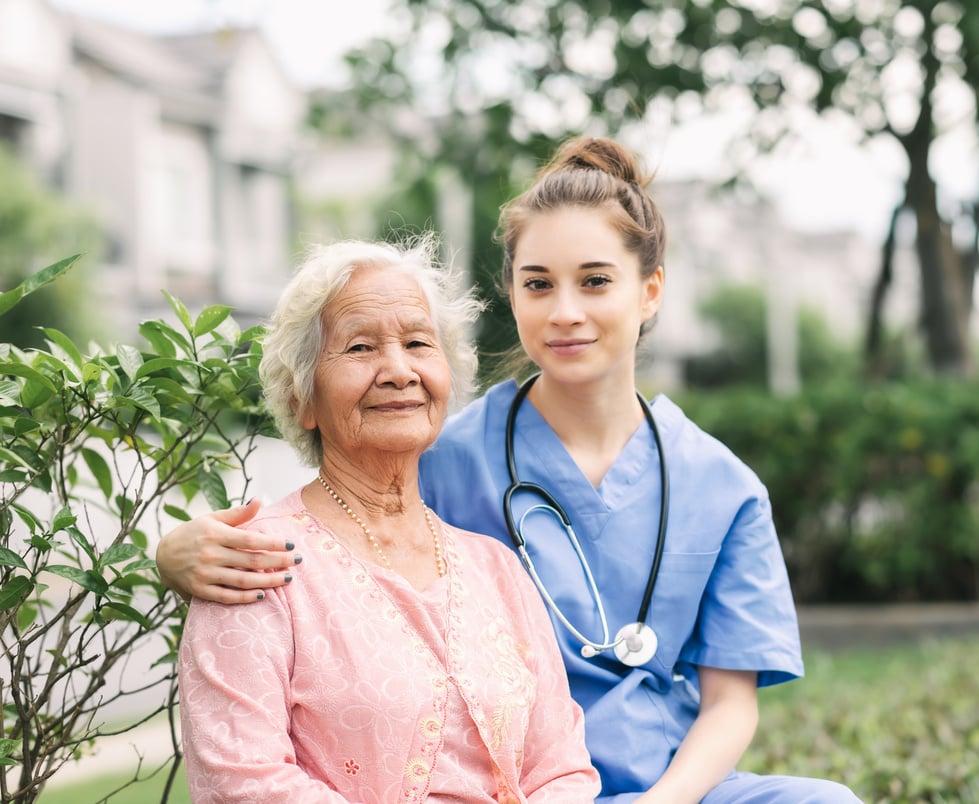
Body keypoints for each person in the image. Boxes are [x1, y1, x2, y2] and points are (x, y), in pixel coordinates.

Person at [159, 138, 861, 804]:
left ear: (649, 291)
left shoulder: (722, 487)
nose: (565, 312)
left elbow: (730, 703)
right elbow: (335, 519)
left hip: (669, 786)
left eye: (594, 282)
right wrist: (172, 552)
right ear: (512, 295)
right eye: (538, 284)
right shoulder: (442, 454)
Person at [175, 237, 600, 803]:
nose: (399, 370)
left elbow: (562, 769)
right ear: (302, 396)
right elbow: (242, 783)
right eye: (359, 348)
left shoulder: (497, 569)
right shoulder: (252, 565)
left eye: (418, 343)